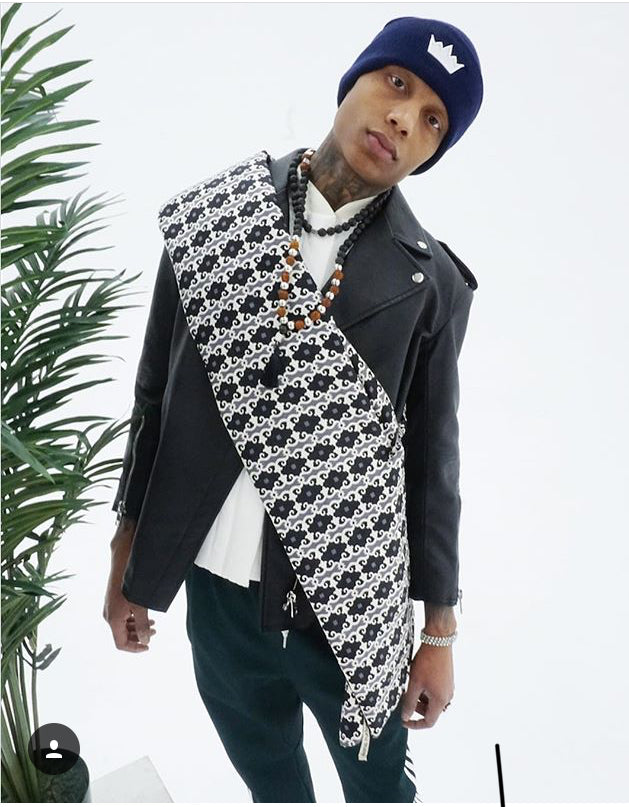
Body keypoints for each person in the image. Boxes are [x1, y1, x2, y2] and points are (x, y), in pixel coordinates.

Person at [103, 15, 484, 803]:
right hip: (215, 596)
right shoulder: (216, 217)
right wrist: (127, 555)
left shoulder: (432, 287)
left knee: (380, 791)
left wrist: (438, 633)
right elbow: (153, 399)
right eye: (397, 84)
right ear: (355, 79)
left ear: (432, 153)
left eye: (431, 121)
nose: (401, 119)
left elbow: (431, 474)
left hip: (344, 607)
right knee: (271, 783)